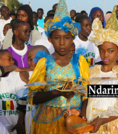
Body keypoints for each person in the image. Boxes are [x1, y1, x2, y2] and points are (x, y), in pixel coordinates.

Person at [27, 0, 89, 133]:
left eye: (66, 38)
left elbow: (86, 93)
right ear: (50, 39)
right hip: (48, 121)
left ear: (73, 38)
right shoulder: (44, 63)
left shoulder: (80, 61)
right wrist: (55, 93)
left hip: (74, 118)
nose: (62, 43)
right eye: (57, 38)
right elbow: (33, 97)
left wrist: (81, 115)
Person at [86, 6, 118, 134]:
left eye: (111, 51)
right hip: (93, 125)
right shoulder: (92, 72)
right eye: (102, 51)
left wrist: (102, 120)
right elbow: (86, 97)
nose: (106, 55)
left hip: (114, 127)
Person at [14, 45, 49, 134]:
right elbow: (23, 101)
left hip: (45, 125)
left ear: (42, 59)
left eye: (30, 59)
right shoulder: (31, 75)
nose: (28, 63)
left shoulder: (50, 75)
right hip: (29, 125)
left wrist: (27, 81)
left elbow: (42, 94)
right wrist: (20, 122)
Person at [0, 50, 29, 134]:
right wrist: (11, 67)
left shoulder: (18, 76)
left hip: (16, 128)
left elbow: (23, 99)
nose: (13, 61)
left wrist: (20, 122)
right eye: (9, 59)